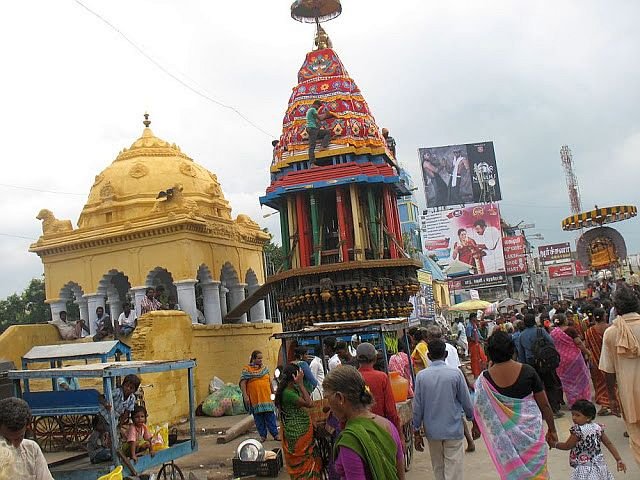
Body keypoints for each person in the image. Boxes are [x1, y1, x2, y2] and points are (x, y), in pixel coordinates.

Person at [472, 331, 557, 480]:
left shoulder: (483, 380)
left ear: (489, 353)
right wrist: (552, 429)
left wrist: (476, 427)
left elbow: (479, 407)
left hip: (505, 441)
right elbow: (545, 405)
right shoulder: (528, 371)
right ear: (512, 349)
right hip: (532, 434)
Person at [323, 366, 405, 480]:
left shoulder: (351, 440)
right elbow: (401, 475)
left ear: (340, 398)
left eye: (327, 398)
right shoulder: (388, 426)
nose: (328, 406)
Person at [413, 339, 473, 480]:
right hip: (453, 428)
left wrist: (416, 431)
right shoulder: (455, 374)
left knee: (438, 467)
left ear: (429, 356)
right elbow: (466, 401)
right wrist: (473, 420)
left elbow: (417, 407)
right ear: (445, 354)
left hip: (432, 431)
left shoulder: (421, 377)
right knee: (454, 469)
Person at [599, 283, 640, 466]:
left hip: (628, 395)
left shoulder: (611, 333)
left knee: (636, 438)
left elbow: (608, 371)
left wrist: (612, 398)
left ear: (616, 308)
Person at [424, 326, 476, 453]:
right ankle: (469, 440)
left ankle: (462, 441)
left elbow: (433, 371)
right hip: (455, 382)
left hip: (442, 385)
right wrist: (466, 382)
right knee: (457, 413)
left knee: (450, 414)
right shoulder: (451, 348)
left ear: (429, 338)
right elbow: (459, 367)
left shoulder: (429, 352)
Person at [552, 399, 626, 478]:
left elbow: (567, 446)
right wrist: (618, 459)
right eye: (572, 414)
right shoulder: (598, 428)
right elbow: (609, 444)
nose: (574, 418)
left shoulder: (578, 430)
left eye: (577, 415)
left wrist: (555, 444)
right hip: (600, 465)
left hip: (584, 467)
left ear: (588, 418)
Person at [275, 363, 322, 479]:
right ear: (295, 376)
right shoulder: (288, 394)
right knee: (305, 461)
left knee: (308, 459)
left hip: (299, 429)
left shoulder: (292, 389)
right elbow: (309, 403)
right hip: (299, 431)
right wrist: (301, 384)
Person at [517, 313, 564, 416]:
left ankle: (542, 411)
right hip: (545, 361)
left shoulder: (521, 336)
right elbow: (551, 342)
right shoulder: (540, 331)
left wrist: (524, 368)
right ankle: (555, 409)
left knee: (537, 388)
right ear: (534, 321)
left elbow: (521, 354)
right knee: (550, 385)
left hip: (531, 364)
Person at [0, 397, 54, 480]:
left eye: (18, 438)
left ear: (27, 427)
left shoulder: (31, 449)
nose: (13, 445)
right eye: (6, 440)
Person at [356, 342, 401, 433]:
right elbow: (391, 411)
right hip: (380, 429)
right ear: (375, 358)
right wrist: (398, 432)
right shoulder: (381, 377)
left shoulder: (351, 377)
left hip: (357, 430)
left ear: (357, 358)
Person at [550, 313, 592, 407]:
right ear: (564, 320)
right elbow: (579, 343)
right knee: (581, 380)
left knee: (568, 383)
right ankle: (584, 399)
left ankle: (573, 402)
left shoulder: (553, 333)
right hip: (575, 359)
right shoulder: (570, 330)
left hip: (562, 361)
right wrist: (587, 352)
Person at [239, 350, 279, 443]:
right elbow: (243, 383)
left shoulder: (265, 369)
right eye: (258, 358)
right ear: (253, 359)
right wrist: (245, 396)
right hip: (255, 399)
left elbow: (269, 382)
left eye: (261, 358)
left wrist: (273, 393)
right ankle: (263, 436)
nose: (261, 360)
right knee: (258, 418)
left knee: (270, 416)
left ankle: (275, 434)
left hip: (266, 397)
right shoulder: (247, 370)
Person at [584, 307, 617, 416]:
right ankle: (616, 403)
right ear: (604, 316)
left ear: (594, 317)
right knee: (613, 383)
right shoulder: (611, 329)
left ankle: (604, 405)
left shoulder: (589, 332)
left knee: (600, 385)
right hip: (611, 360)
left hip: (597, 362)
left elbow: (587, 346)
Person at [306, 99, 338, 166]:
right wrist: (327, 115)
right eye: (318, 106)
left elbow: (317, 120)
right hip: (312, 129)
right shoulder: (313, 109)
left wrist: (331, 138)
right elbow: (320, 118)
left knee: (327, 133)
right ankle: (312, 163)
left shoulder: (309, 111)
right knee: (312, 146)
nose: (318, 108)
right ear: (315, 105)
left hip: (312, 129)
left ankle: (323, 146)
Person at [465, 313, 487, 378]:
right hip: (473, 345)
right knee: (475, 359)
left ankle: (479, 373)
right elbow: (469, 337)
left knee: (481, 358)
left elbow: (478, 334)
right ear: (472, 318)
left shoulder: (474, 325)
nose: (476, 319)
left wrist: (483, 339)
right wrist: (477, 340)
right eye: (475, 317)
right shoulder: (469, 326)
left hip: (477, 344)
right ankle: (476, 374)